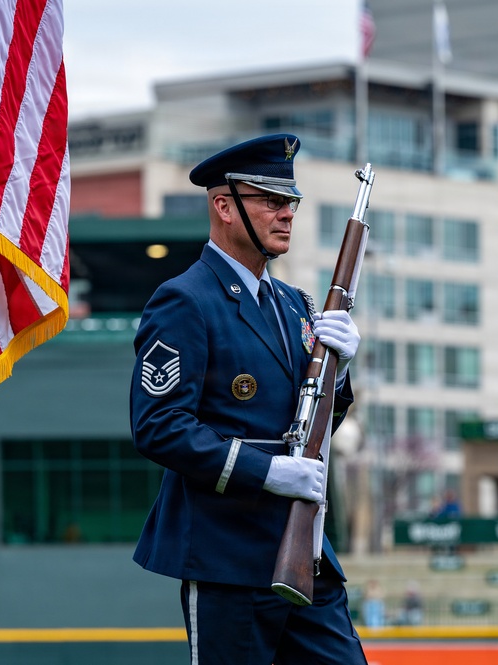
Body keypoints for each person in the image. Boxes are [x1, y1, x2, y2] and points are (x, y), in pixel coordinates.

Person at [130, 134, 367, 664]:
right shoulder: (184, 300)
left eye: (291, 203)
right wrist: (268, 471)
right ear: (224, 206)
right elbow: (159, 426)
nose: (287, 214)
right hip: (227, 555)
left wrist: (340, 373)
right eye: (271, 200)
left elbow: (315, 419)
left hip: (303, 552)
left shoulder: (295, 304)